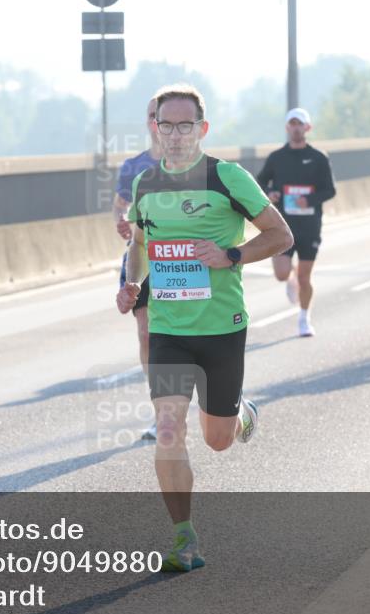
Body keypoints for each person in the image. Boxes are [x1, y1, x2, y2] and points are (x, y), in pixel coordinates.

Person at [116, 84, 293, 572]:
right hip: (169, 330)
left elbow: (281, 235)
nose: (175, 135)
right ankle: (183, 538)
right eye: (165, 125)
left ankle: (240, 413)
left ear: (202, 129)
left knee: (217, 438)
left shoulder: (227, 177)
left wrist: (232, 254)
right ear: (155, 127)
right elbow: (141, 247)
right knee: (169, 428)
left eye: (185, 125)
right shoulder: (144, 184)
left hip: (221, 328)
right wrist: (131, 285)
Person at [255, 108, 336, 337]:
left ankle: (304, 318)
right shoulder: (277, 157)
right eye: (292, 124)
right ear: (287, 128)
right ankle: (290, 279)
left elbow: (330, 190)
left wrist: (308, 199)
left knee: (305, 277)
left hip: (309, 226)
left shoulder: (319, 158)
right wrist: (270, 192)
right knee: (282, 274)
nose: (296, 128)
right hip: (283, 225)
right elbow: (259, 182)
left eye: (300, 124)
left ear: (307, 128)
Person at [113, 98, 162, 440]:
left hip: (185, 260)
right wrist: (121, 222)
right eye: (151, 115)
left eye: (164, 116)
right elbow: (120, 206)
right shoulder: (133, 167)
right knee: (146, 334)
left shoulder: (198, 168)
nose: (157, 122)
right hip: (144, 255)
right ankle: (162, 412)